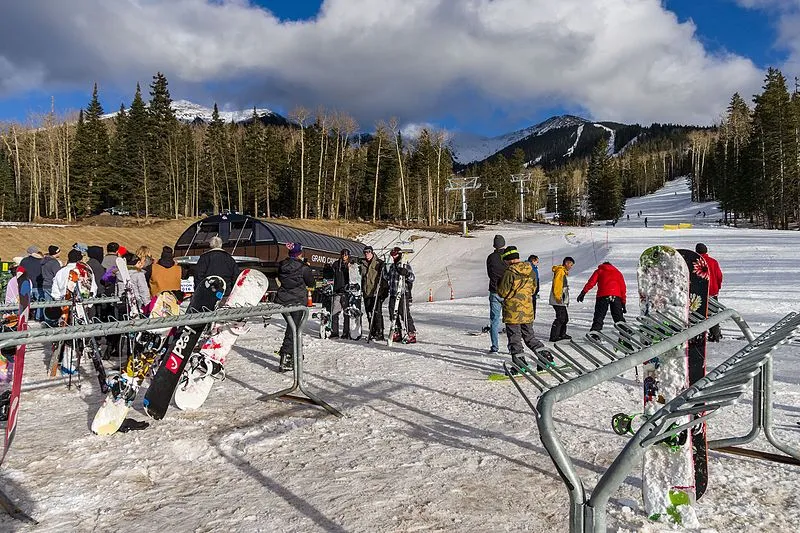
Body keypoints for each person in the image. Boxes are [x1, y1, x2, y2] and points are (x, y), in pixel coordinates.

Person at [497, 246, 545, 370]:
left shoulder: (509, 272)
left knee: (515, 339)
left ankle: (520, 364)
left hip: (513, 312)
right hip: (528, 309)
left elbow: (502, 292)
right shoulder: (531, 270)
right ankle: (546, 357)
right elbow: (534, 289)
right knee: (530, 337)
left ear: (509, 259)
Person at [274, 243, 315, 372]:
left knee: (292, 327)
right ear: (299, 254)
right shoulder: (303, 268)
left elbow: (280, 277)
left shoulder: (282, 265)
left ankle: (293, 353)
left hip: (283, 300)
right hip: (297, 301)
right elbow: (311, 283)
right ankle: (286, 356)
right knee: (293, 329)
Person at [576, 262, 627, 331]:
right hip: (616, 296)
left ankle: (595, 334)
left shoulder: (599, 271)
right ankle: (624, 333)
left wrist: (583, 292)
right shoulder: (618, 273)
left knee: (599, 315)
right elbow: (623, 288)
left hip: (603, 296)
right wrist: (623, 302)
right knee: (618, 316)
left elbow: (591, 282)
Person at [385, 246, 416, 343]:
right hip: (393, 293)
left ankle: (411, 333)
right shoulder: (392, 266)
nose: (393, 257)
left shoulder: (404, 265)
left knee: (404, 313)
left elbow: (412, 278)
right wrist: (383, 271)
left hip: (402, 293)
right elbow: (388, 278)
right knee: (392, 313)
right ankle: (397, 332)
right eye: (392, 255)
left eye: (395, 255)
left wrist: (406, 274)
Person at [696, 243, 723, 341]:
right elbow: (719, 276)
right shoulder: (713, 262)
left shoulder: (695, 262)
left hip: (699, 292)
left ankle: (699, 335)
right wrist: (717, 287)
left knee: (698, 314)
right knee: (713, 314)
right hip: (712, 291)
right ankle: (715, 334)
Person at [361, 245, 388, 341]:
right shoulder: (363, 264)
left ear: (372, 253)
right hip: (366, 292)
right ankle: (372, 331)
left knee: (377, 313)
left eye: (368, 252)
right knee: (369, 313)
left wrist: (384, 292)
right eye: (365, 252)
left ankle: (379, 332)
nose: (367, 254)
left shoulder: (378, 263)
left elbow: (384, 278)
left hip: (376, 292)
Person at [486, 234, 506, 353]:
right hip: (507, 292)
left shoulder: (490, 257)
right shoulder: (508, 257)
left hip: (494, 290)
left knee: (494, 320)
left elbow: (489, 273)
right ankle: (511, 346)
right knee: (509, 320)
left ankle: (495, 346)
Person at [549, 256, 575, 342]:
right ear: (566, 263)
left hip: (561, 299)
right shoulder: (560, 271)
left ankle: (561, 334)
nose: (571, 267)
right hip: (558, 299)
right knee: (561, 317)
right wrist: (557, 296)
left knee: (565, 318)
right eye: (571, 264)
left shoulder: (563, 272)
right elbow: (557, 284)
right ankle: (554, 336)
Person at [327, 249, 352, 339]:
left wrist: (350, 268)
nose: (344, 256)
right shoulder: (336, 264)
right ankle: (335, 332)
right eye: (342, 254)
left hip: (346, 292)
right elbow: (330, 275)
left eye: (346, 255)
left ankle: (346, 332)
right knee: (335, 313)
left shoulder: (351, 265)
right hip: (337, 291)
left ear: (348, 256)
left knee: (346, 313)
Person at [19, 246, 44, 317]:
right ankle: (38, 319)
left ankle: (25, 318)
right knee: (39, 304)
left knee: (25, 304)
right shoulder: (41, 261)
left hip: (26, 286)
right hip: (38, 286)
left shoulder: (24, 261)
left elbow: (20, 272)